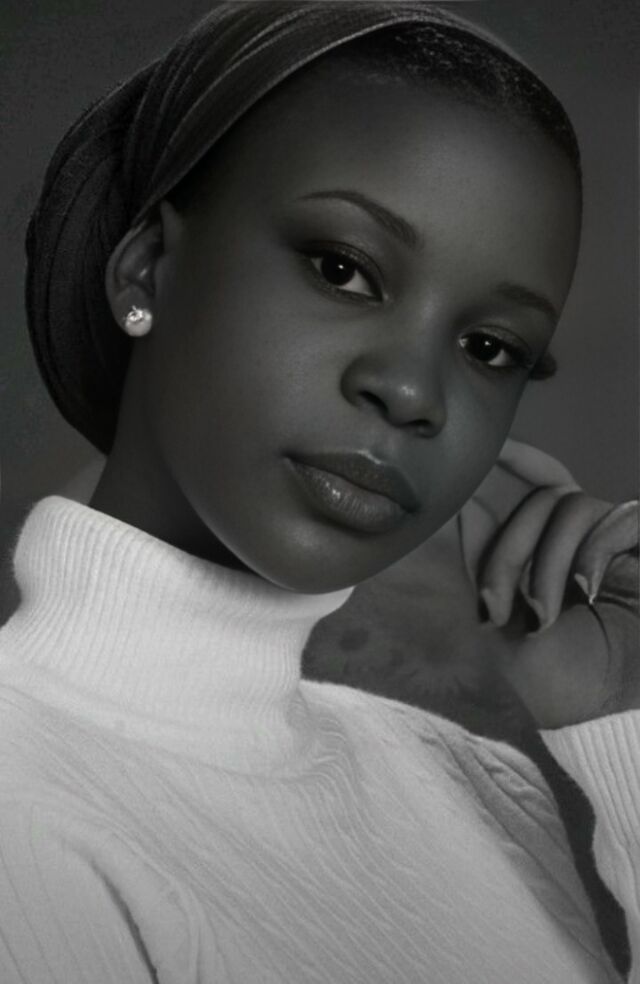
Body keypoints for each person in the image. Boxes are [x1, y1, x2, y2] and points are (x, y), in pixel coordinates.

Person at [1, 2, 637, 981]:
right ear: (146, 270)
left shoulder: (486, 791)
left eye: (488, 347)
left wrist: (626, 716)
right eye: (342, 270)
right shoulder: (25, 814)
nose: (413, 392)